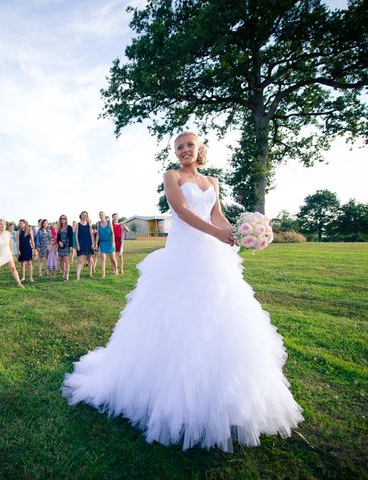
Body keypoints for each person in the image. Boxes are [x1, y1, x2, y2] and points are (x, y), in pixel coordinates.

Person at [62, 131, 303, 452]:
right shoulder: (171, 176)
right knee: (175, 312)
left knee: (221, 313)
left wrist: (235, 232)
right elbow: (183, 213)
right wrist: (217, 233)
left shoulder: (213, 182)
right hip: (183, 250)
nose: (185, 150)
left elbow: (217, 214)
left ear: (199, 149)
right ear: (175, 154)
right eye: (179, 147)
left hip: (213, 254)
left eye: (189, 145)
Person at [0, 219, 24, 291]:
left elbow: (10, 242)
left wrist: (11, 251)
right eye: (1, 224)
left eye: (4, 224)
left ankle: (19, 283)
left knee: (13, 269)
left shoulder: (8, 233)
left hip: (7, 254)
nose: (3, 225)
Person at [96, 211, 118, 278]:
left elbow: (113, 233)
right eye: (100, 215)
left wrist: (113, 242)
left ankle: (116, 269)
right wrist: (96, 243)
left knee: (113, 258)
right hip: (102, 243)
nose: (101, 216)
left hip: (110, 242)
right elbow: (98, 234)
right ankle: (103, 274)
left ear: (105, 215)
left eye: (102, 214)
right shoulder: (98, 224)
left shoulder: (109, 223)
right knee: (103, 259)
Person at [75, 211, 95, 280]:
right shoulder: (78, 224)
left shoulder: (89, 224)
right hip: (81, 244)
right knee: (80, 260)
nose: (84, 216)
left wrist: (93, 243)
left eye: (85, 215)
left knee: (89, 259)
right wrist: (77, 244)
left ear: (87, 216)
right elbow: (76, 235)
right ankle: (78, 276)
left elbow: (92, 234)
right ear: (81, 216)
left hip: (89, 243)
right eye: (83, 215)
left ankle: (90, 274)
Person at [56, 214, 73, 281]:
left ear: (66, 219)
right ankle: (63, 273)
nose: (63, 220)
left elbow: (71, 237)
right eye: (61, 218)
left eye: (64, 218)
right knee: (61, 260)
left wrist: (71, 246)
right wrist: (59, 242)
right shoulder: (59, 228)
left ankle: (67, 275)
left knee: (66, 260)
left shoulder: (69, 227)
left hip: (67, 245)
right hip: (60, 246)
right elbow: (57, 237)